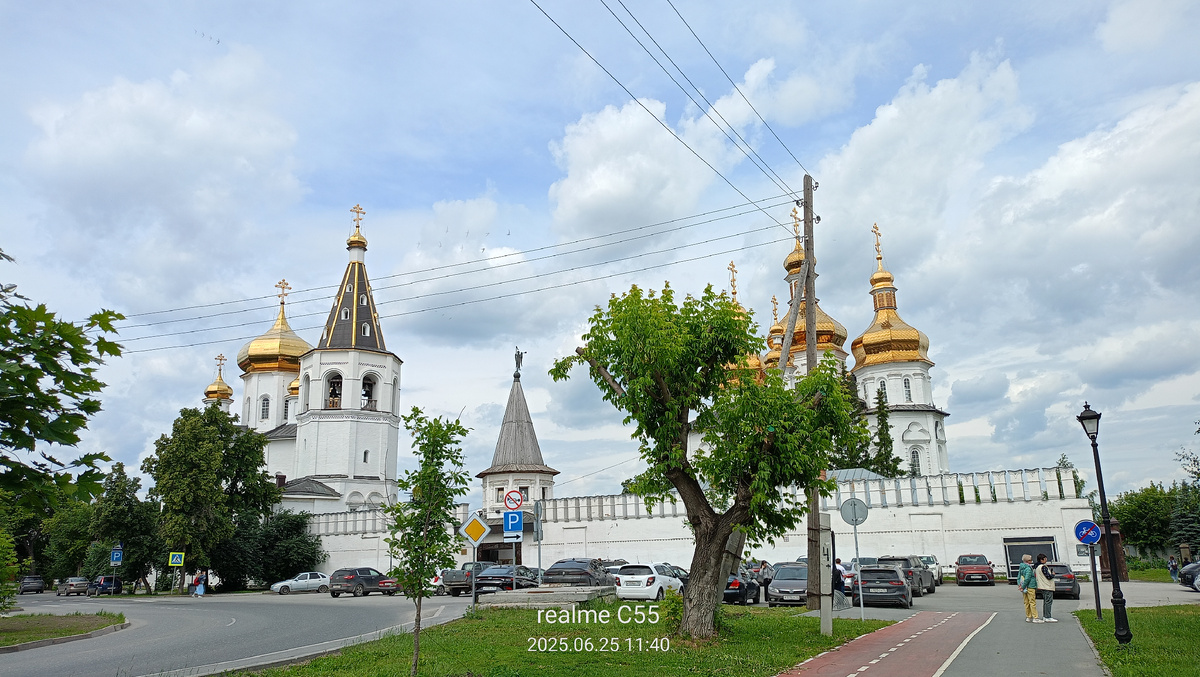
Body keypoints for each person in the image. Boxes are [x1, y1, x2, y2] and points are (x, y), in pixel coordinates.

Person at [1017, 554, 1042, 623]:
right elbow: (1027, 578)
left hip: (1023, 587)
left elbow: (1018, 577)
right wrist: (1023, 586)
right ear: (1028, 561)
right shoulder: (1028, 568)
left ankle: (1028, 616)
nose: (1032, 561)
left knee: (1026, 602)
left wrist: (1020, 585)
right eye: (1030, 560)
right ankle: (1035, 617)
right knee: (1032, 602)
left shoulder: (1021, 567)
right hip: (1030, 586)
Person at [1035, 554, 1057, 622]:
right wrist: (1053, 574)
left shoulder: (1037, 567)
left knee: (1046, 602)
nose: (1046, 560)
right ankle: (1048, 616)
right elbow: (1048, 576)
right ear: (1041, 559)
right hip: (1047, 586)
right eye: (1045, 559)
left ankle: (1045, 616)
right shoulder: (1043, 567)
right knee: (1048, 602)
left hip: (1042, 586)